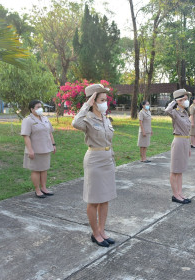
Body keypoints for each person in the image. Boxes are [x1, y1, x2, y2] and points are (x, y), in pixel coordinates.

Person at [72, 84, 117, 248]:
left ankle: (102, 230)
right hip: (94, 161)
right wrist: (86, 105)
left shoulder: (105, 118)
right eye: (101, 100)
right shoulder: (87, 119)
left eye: (106, 100)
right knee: (94, 200)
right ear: (93, 101)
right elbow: (75, 123)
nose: (105, 103)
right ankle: (95, 233)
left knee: (105, 199)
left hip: (107, 160)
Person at [21, 100, 56, 198]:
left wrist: (53, 144)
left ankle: (44, 188)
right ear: (31, 109)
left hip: (46, 148)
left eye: (41, 107)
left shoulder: (45, 118)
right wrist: (30, 150)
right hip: (35, 150)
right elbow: (26, 136)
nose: (40, 109)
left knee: (44, 169)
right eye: (37, 107)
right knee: (36, 170)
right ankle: (37, 190)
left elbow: (50, 132)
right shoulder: (28, 120)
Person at [165, 88, 192, 204]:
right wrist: (175, 101)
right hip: (178, 142)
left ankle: (180, 193)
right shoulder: (174, 112)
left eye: (187, 99)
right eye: (184, 99)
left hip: (185, 141)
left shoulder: (185, 113)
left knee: (180, 170)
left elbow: (188, 131)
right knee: (175, 170)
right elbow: (167, 110)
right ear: (179, 101)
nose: (187, 101)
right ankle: (175, 195)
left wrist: (189, 146)